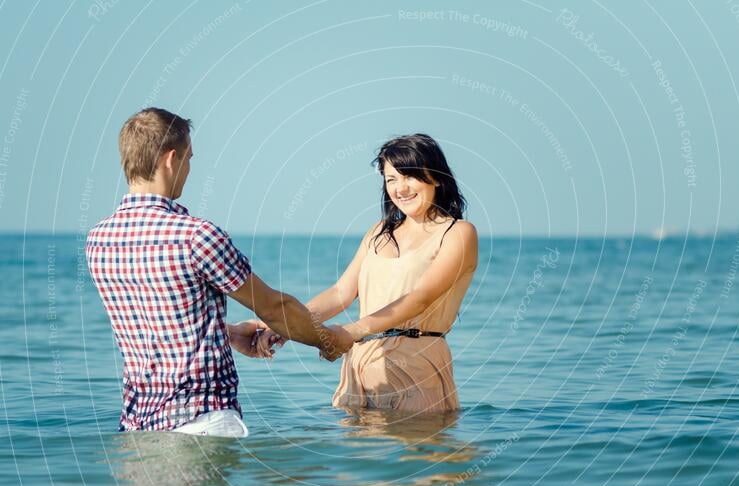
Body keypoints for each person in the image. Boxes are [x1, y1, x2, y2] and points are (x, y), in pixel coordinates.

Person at [86, 108, 352, 437]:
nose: (188, 169)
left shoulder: (98, 241)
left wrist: (225, 334)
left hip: (138, 427)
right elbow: (274, 308)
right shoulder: (196, 237)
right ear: (171, 159)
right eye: (189, 159)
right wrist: (326, 341)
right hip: (201, 421)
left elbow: (156, 322)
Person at [261, 134, 478, 413]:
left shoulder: (458, 233)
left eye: (409, 176)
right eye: (391, 179)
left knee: (417, 453)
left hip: (415, 364)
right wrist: (285, 326)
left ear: (435, 178)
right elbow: (341, 293)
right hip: (359, 365)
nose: (400, 188)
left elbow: (420, 298)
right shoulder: (378, 232)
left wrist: (349, 331)